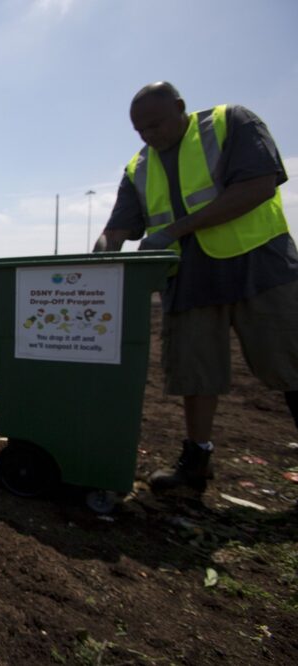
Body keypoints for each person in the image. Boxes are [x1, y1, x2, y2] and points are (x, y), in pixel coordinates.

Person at [94, 81, 298, 494]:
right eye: (141, 131)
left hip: (259, 268)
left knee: (291, 363)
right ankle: (196, 465)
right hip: (189, 281)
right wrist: (97, 259)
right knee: (195, 374)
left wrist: (174, 231)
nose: (150, 136)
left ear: (180, 108)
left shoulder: (229, 124)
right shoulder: (140, 167)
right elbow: (117, 229)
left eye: (156, 124)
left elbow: (258, 186)